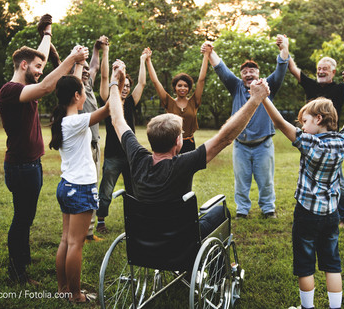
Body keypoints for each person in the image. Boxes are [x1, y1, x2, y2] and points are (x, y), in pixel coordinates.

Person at [108, 59, 272, 237]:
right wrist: (255, 100)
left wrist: (115, 81)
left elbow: (117, 119)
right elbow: (225, 137)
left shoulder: (137, 158)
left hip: (146, 237)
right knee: (221, 212)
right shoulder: (184, 164)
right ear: (178, 142)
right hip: (182, 238)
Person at [0, 19, 88, 285]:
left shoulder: (24, 86)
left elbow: (42, 60)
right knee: (22, 218)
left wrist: (47, 34)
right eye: (36, 67)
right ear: (23, 65)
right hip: (21, 167)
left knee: (26, 216)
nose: (41, 71)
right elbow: (48, 85)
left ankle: (21, 260)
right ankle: (17, 272)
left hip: (31, 165)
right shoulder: (11, 90)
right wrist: (72, 58)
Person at [261, 79, 344, 309]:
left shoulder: (308, 143)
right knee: (332, 263)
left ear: (318, 119)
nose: (302, 126)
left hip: (306, 213)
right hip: (331, 213)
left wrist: (263, 97)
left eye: (304, 121)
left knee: (305, 264)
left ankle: (307, 308)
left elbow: (278, 121)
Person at [204, 35, 290, 219]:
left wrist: (284, 48)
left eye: (252, 71)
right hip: (241, 146)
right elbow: (221, 69)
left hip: (263, 145)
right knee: (241, 181)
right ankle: (242, 211)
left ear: (258, 74)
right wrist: (211, 52)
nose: (248, 74)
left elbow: (282, 68)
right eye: (245, 72)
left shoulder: (268, 87)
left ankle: (268, 209)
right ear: (241, 75)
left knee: (266, 181)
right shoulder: (236, 87)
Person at [49, 67, 112, 303]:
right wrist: (116, 81)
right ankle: (75, 295)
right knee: (76, 243)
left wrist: (78, 63)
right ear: (76, 96)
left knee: (67, 240)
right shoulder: (76, 121)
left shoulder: (63, 119)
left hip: (67, 186)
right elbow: (107, 109)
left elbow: (75, 90)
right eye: (82, 90)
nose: (85, 93)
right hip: (80, 188)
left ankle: (64, 289)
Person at [287, 51, 344, 228]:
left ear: (333, 72)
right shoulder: (312, 85)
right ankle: (311, 206)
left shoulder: (339, 89)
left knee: (338, 179)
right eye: (319, 68)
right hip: (310, 139)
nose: (321, 71)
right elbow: (293, 68)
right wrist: (284, 48)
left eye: (325, 69)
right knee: (310, 174)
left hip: (331, 140)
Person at [96, 48, 148, 233]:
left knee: (133, 190)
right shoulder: (109, 102)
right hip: (112, 156)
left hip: (131, 155)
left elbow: (142, 82)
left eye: (127, 86)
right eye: (122, 85)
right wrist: (112, 70)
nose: (125, 88)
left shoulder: (132, 103)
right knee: (106, 190)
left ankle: (133, 221)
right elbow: (104, 80)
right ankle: (101, 221)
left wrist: (143, 60)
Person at [145, 46, 210, 153]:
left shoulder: (194, 102)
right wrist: (148, 60)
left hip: (189, 143)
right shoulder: (168, 102)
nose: (183, 88)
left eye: (185, 86)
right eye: (179, 85)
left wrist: (206, 56)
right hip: (171, 143)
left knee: (189, 169)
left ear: (189, 88)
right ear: (175, 87)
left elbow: (201, 80)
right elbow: (156, 82)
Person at [80, 36, 110, 242]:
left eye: (85, 71)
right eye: (81, 70)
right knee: (86, 186)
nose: (86, 72)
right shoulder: (74, 89)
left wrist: (96, 48)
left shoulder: (88, 84)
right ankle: (84, 232)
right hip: (84, 146)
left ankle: (89, 231)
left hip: (95, 142)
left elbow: (94, 67)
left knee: (93, 185)